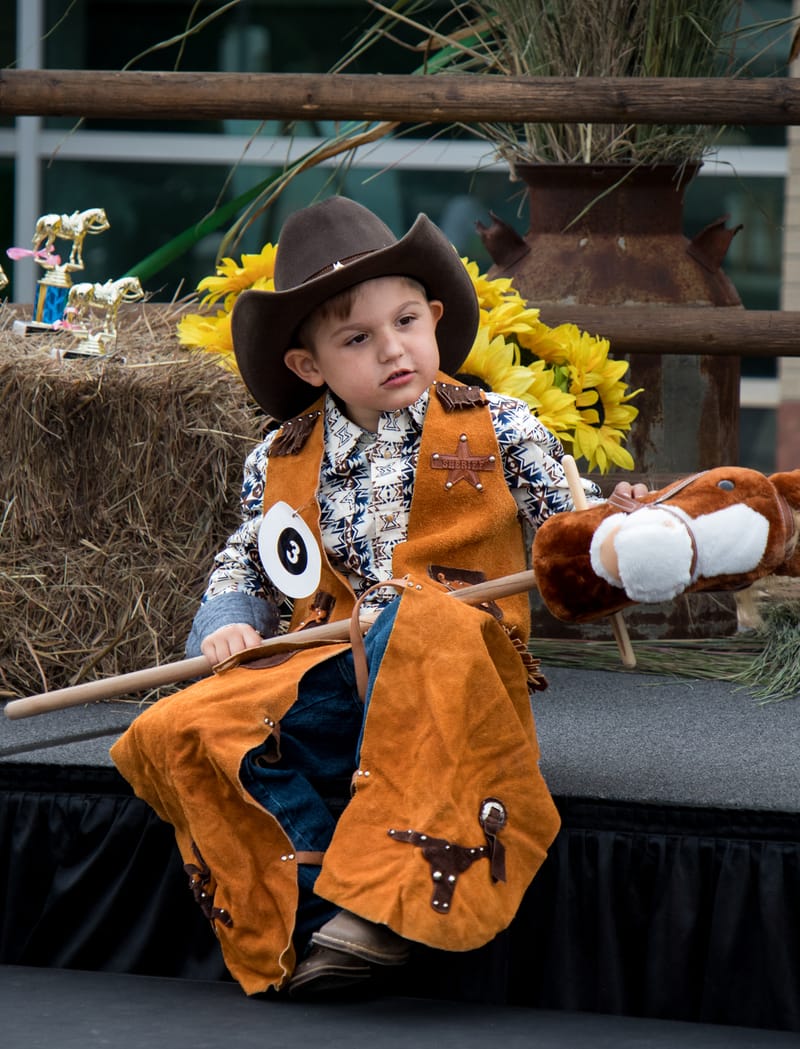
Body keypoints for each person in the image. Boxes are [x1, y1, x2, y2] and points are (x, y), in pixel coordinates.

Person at [110, 195, 610, 999]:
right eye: (357, 339)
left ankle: (385, 899)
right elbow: (248, 560)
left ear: (434, 318)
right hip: (328, 666)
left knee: (414, 616)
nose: (392, 349)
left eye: (406, 322)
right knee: (179, 726)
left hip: (452, 668)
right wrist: (229, 622)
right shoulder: (279, 457)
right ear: (309, 366)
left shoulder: (502, 425)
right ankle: (316, 907)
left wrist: (616, 539)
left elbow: (569, 529)